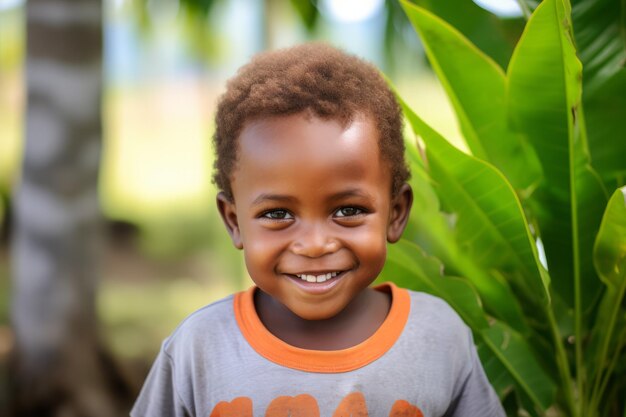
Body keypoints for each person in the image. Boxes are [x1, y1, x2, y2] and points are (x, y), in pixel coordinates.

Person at [131, 42, 505, 417]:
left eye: (347, 210)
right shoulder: (199, 349)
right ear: (234, 221)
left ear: (396, 213)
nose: (313, 245)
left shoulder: (438, 336)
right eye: (278, 214)